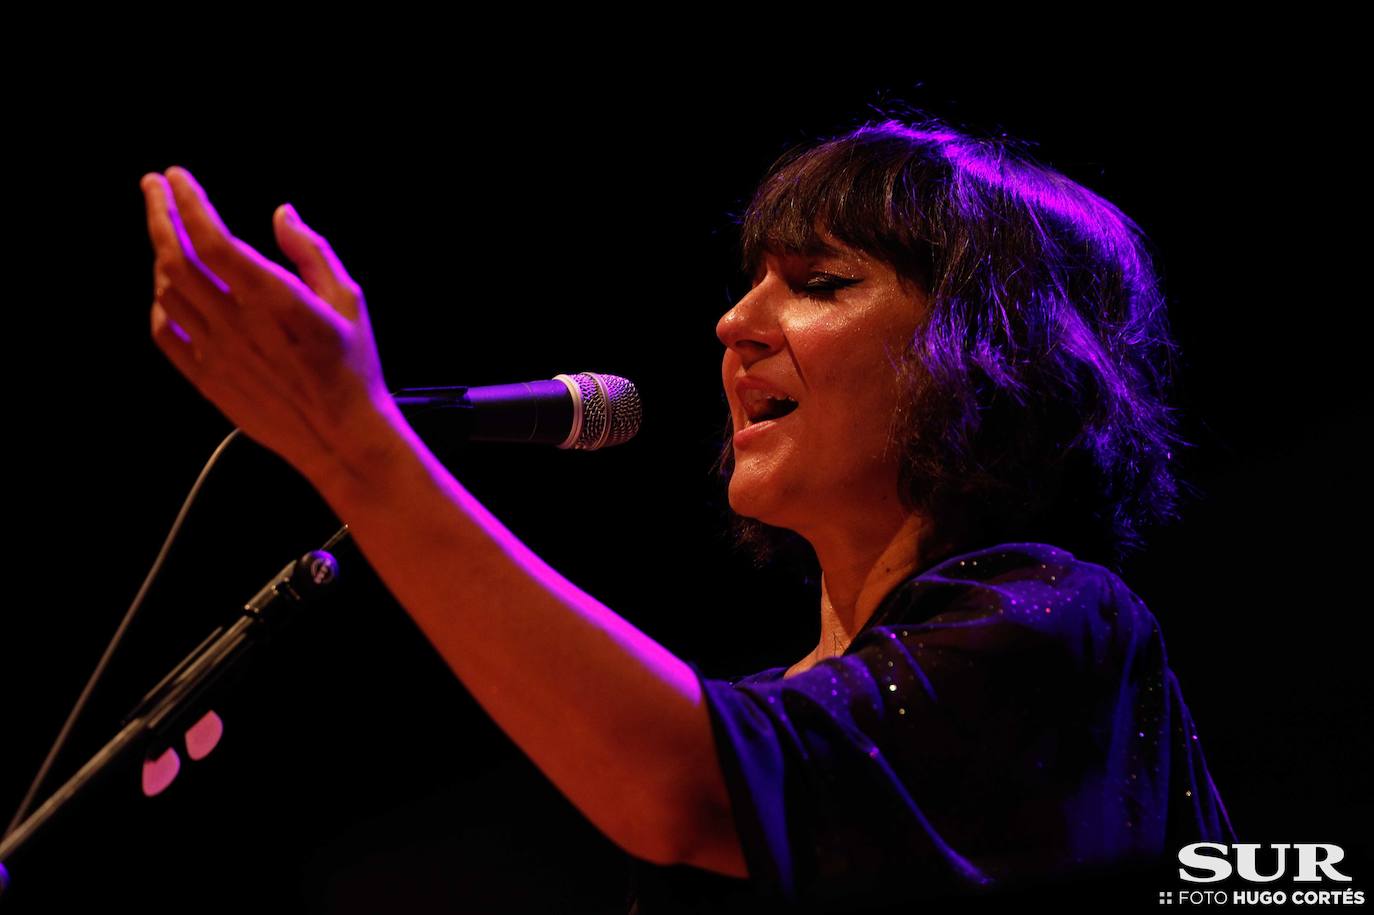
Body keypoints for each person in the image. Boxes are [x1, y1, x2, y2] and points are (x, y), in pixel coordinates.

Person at [139, 114, 1235, 913]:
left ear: (994, 359)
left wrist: (361, 449)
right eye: (750, 281)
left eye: (819, 283)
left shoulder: (1057, 621)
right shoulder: (782, 704)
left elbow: (682, 786)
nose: (733, 322)